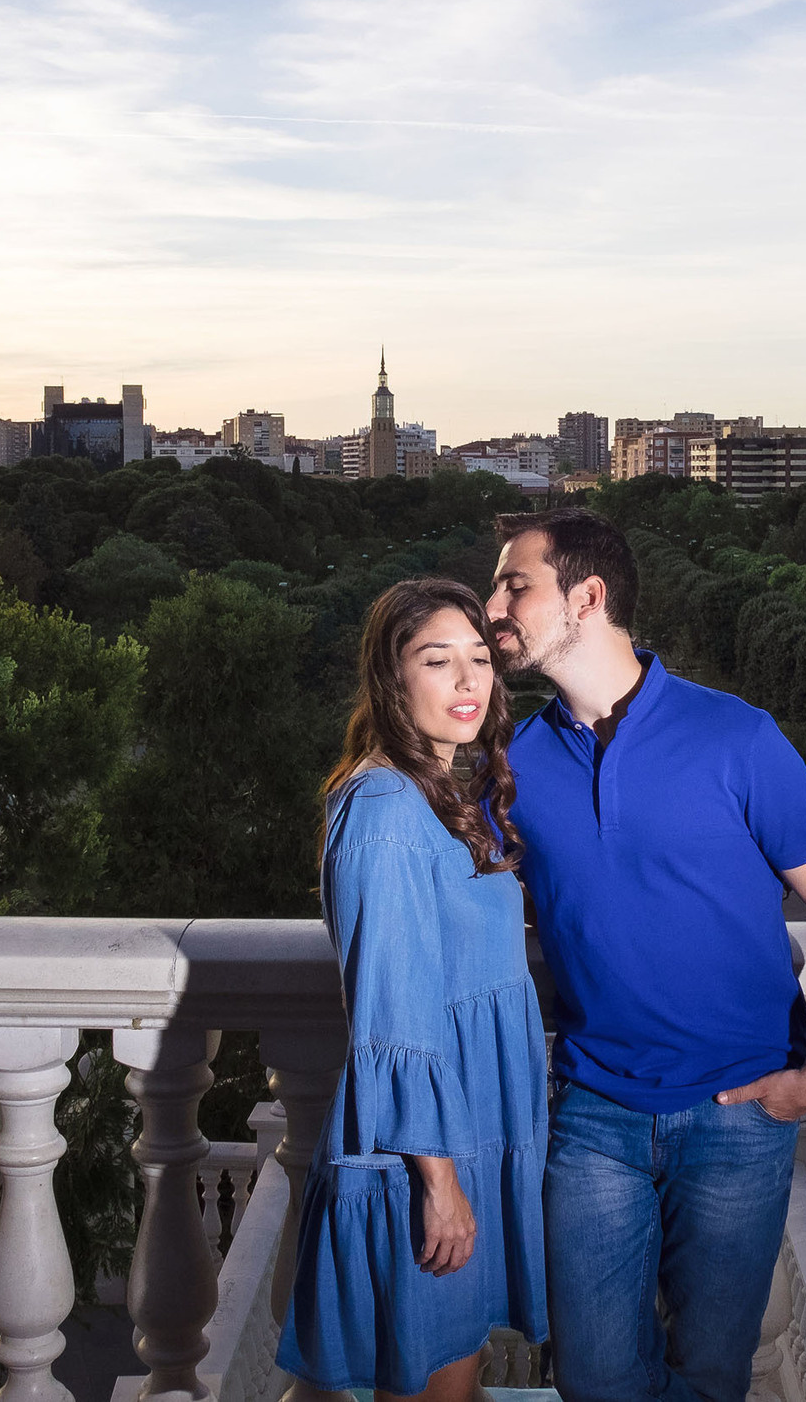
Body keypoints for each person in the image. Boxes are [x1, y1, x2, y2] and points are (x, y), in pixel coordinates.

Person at [486, 508, 806, 1402]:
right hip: (594, 1115)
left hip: (739, 1109)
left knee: (708, 1375)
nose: (493, 601)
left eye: (515, 583)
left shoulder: (738, 735)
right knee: (595, 1377)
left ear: (588, 595)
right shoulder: (512, 764)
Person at [278, 578, 550, 1402]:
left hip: (456, 1134)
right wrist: (440, 1186)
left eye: (480, 660)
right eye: (439, 661)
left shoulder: (437, 794)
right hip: (424, 1158)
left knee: (452, 1382)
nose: (471, 683)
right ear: (392, 680)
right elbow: (393, 1014)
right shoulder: (387, 808)